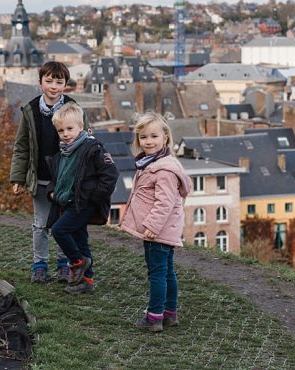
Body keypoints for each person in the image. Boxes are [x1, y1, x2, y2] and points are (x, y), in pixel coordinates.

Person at [9, 60, 89, 283]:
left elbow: (87, 142)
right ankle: (39, 264)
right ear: (40, 82)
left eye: (59, 82)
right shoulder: (31, 110)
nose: (53, 86)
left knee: (64, 224)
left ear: (65, 85)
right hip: (41, 178)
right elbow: (22, 145)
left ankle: (64, 263)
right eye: (49, 81)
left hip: (67, 180)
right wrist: (18, 176)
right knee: (41, 223)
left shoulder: (75, 109)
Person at [119, 111, 192, 332]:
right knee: (167, 271)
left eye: (153, 136)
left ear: (165, 138)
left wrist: (152, 225)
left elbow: (165, 202)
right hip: (163, 229)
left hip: (158, 230)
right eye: (143, 137)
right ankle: (170, 314)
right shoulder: (153, 163)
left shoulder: (163, 169)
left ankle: (154, 317)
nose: (148, 141)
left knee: (158, 273)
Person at [46, 103, 118, 294]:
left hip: (84, 203)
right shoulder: (63, 152)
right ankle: (86, 281)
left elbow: (110, 175)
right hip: (69, 202)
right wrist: (52, 192)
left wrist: (94, 198)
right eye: (61, 130)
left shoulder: (92, 148)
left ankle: (78, 262)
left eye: (70, 129)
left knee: (59, 230)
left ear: (81, 127)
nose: (66, 134)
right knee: (80, 239)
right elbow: (58, 177)